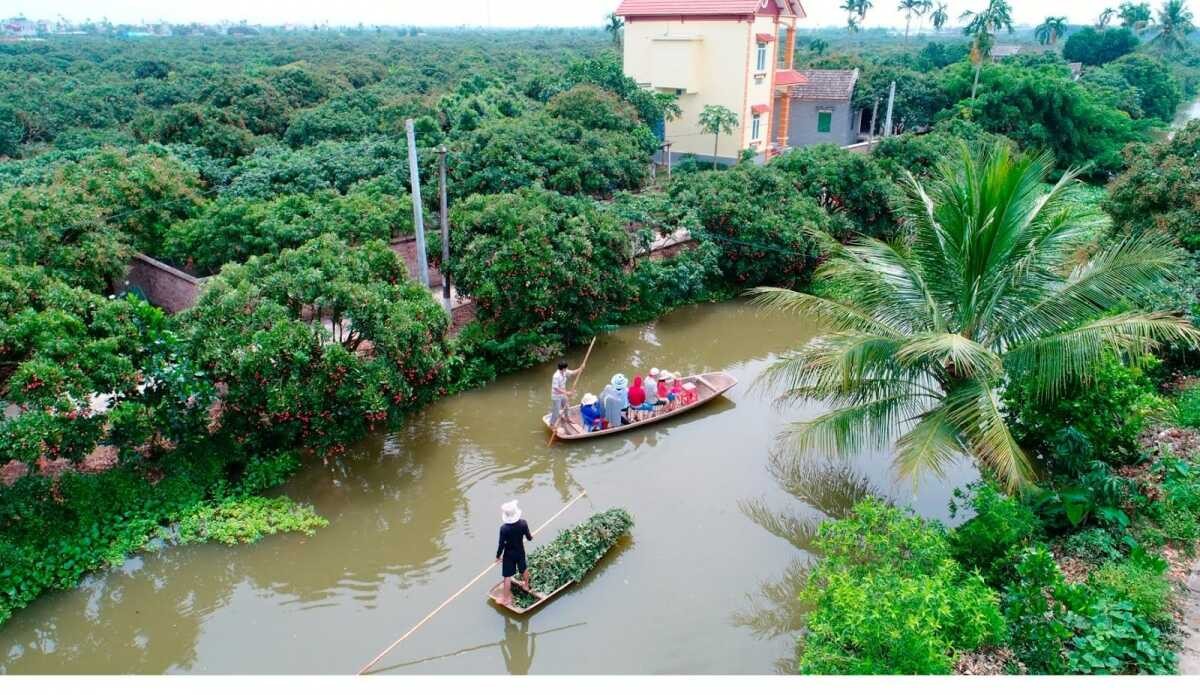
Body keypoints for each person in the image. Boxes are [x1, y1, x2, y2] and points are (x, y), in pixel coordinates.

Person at [495, 500, 533, 607]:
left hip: (509, 554)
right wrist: (531, 537)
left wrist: (498, 556)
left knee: (507, 577)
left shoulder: (504, 529)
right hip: (520, 551)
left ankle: (506, 599)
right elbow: (529, 538)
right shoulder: (523, 523)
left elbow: (501, 544)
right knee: (523, 569)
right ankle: (526, 585)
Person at [549, 360, 581, 432]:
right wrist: (567, 393)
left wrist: (580, 368)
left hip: (563, 394)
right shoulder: (556, 376)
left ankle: (568, 418)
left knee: (567, 406)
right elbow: (556, 388)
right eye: (566, 368)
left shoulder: (564, 372)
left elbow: (573, 373)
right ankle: (552, 424)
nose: (567, 369)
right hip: (556, 396)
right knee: (556, 411)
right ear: (563, 368)